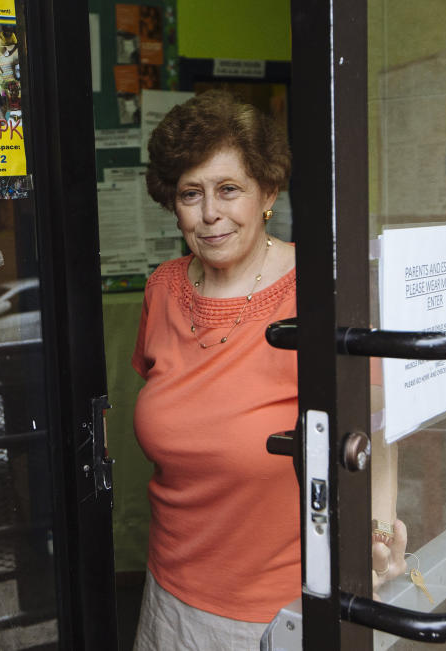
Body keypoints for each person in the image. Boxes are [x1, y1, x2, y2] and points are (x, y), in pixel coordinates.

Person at [132, 90, 407, 649]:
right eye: (191, 194)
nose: (210, 213)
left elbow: (374, 428)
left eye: (229, 189)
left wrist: (375, 534)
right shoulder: (162, 288)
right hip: (166, 595)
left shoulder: (320, 293)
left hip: (277, 612)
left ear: (268, 194)